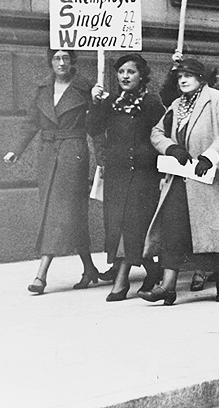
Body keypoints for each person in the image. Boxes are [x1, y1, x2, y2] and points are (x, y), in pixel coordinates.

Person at [141, 58, 219, 305]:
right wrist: (171, 148)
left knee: (212, 230)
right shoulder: (177, 105)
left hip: (211, 176)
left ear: (201, 78)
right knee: (173, 228)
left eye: (188, 75)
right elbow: (157, 132)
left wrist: (209, 156)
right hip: (181, 176)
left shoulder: (217, 99)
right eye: (179, 77)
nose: (183, 80)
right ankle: (167, 286)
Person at [4, 49, 108, 293]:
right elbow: (31, 123)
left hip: (73, 153)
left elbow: (96, 127)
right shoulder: (43, 90)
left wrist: (96, 102)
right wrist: (16, 150)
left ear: (73, 61)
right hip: (48, 156)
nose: (61, 63)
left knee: (58, 212)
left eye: (66, 58)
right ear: (50, 62)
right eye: (56, 58)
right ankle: (89, 267)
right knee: (69, 212)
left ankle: (41, 275)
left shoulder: (87, 89)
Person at [87, 54, 164, 301]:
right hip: (117, 174)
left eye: (130, 72)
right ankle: (153, 270)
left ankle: (121, 282)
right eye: (121, 72)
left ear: (142, 75)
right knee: (119, 226)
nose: (125, 76)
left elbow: (162, 134)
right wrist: (96, 103)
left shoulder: (152, 103)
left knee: (131, 226)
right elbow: (93, 128)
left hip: (143, 174)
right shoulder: (111, 101)